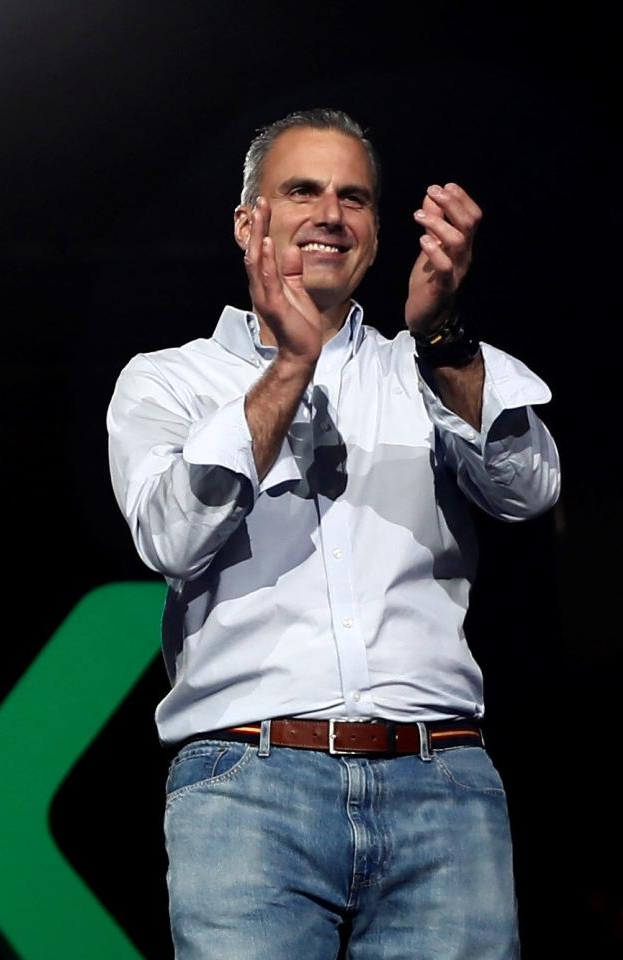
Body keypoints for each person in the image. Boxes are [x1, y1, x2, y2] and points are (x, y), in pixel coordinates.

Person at [106, 109, 559, 958]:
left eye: (354, 198)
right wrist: (290, 368)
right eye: (302, 191)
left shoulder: (424, 363)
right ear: (251, 222)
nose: (330, 213)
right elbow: (170, 537)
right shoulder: (168, 380)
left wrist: (444, 336)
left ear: (378, 233)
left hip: (441, 783)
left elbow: (529, 490)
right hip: (248, 787)